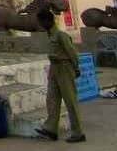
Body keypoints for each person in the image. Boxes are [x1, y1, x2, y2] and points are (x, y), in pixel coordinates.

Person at [34, 9, 85, 143]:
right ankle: (51, 129)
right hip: (54, 68)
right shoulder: (50, 35)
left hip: (64, 67)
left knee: (70, 101)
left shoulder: (61, 35)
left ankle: (78, 132)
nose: (40, 24)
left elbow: (72, 53)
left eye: (41, 21)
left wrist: (76, 68)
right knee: (52, 99)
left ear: (48, 21)